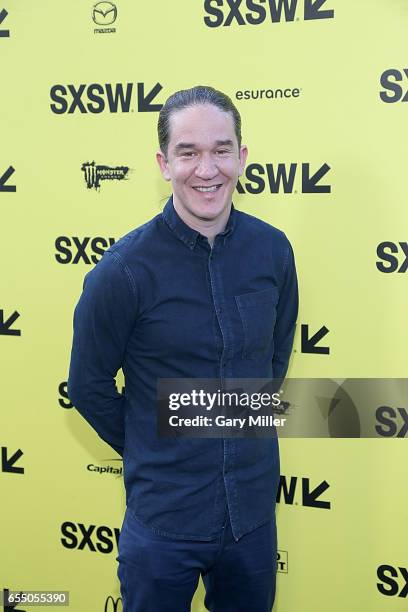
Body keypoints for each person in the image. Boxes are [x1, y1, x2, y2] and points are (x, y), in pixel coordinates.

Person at [67, 85, 299, 612]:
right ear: (163, 163)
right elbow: (87, 386)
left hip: (253, 517)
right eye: (188, 153)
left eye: (221, 150)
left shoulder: (273, 251)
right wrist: (154, 444)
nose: (206, 169)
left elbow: (275, 361)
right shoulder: (123, 271)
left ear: (242, 157)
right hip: (163, 524)